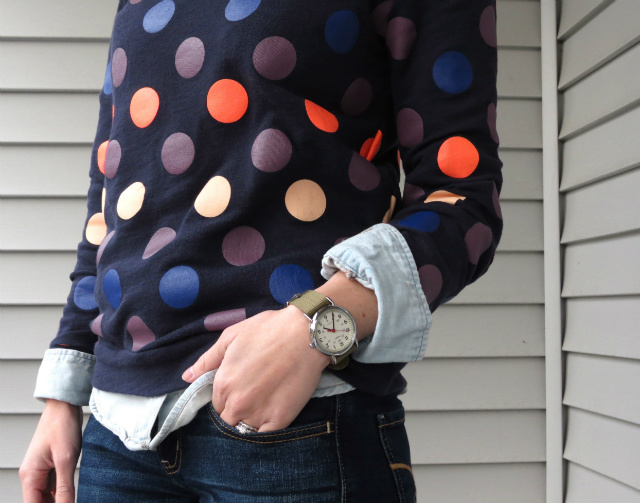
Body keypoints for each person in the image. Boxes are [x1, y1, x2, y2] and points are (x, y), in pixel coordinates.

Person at [20, 0, 502, 501]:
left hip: (298, 422)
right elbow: (111, 197)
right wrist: (65, 389)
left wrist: (315, 325)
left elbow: (462, 197)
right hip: (116, 430)